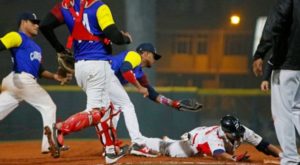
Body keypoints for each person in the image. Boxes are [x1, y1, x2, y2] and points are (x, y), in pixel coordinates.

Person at [39, 0, 137, 163]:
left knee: (106, 109)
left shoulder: (66, 5)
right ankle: (61, 129)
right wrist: (126, 38)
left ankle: (110, 150)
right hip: (98, 64)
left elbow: (45, 26)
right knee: (96, 112)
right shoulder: (99, 7)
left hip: (81, 67)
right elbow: (115, 37)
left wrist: (60, 49)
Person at [0, 12, 71, 154]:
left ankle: (49, 144)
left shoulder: (36, 48)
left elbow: (39, 70)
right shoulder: (16, 36)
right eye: (33, 22)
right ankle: (49, 145)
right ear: (23, 22)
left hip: (16, 82)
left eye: (37, 22)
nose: (37, 25)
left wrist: (55, 76)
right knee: (49, 107)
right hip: (21, 79)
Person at [104, 43, 190, 157]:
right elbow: (125, 68)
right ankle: (138, 144)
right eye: (153, 56)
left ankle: (109, 146)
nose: (155, 59)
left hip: (100, 79)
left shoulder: (139, 72)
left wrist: (172, 103)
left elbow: (152, 94)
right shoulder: (135, 56)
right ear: (145, 54)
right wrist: (139, 87)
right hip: (103, 75)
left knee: (113, 111)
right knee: (127, 106)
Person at [252, 0, 300, 164]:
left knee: (282, 114)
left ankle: (291, 159)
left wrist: (260, 53)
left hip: (288, 64)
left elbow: (275, 24)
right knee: (297, 110)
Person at [142, 115, 281, 162]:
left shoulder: (242, 130)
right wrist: (233, 159)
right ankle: (141, 141)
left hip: (204, 136)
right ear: (226, 132)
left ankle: (170, 140)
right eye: (234, 132)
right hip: (195, 142)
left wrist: (282, 155)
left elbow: (264, 145)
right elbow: (218, 154)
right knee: (170, 151)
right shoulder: (215, 136)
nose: (238, 134)